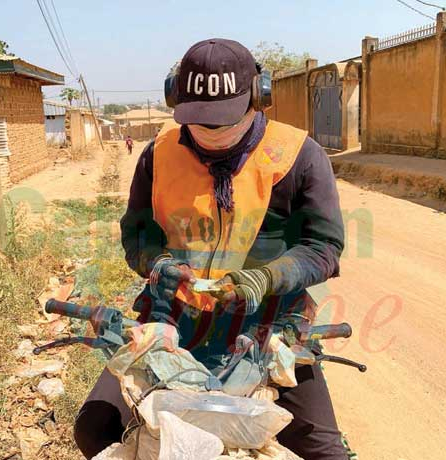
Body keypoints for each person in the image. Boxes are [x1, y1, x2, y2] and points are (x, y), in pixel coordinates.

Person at [74, 38, 348, 459]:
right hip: (173, 319)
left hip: (268, 325)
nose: (209, 133)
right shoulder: (158, 155)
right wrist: (157, 262)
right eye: (198, 121)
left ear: (258, 98)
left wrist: (264, 277)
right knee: (95, 430)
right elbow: (137, 232)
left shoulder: (298, 156)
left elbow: (324, 245)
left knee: (324, 451)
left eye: (222, 121)